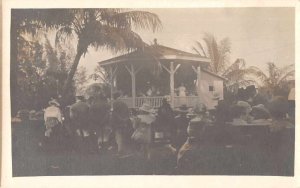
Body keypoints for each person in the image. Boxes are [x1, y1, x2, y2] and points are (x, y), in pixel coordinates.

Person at [111, 92, 133, 157]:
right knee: (123, 136)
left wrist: (117, 120)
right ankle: (124, 150)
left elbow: (114, 113)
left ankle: (120, 151)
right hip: (124, 121)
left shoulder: (115, 103)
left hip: (118, 122)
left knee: (119, 136)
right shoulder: (124, 103)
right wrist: (125, 119)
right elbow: (128, 112)